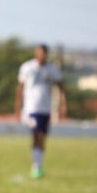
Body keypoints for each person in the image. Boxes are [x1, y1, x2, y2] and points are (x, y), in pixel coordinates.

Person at [15, 44, 66, 180]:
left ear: (46, 54)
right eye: (39, 52)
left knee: (42, 137)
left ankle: (38, 164)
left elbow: (61, 86)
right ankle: (36, 166)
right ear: (35, 53)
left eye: (43, 53)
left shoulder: (52, 69)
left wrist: (62, 105)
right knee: (36, 135)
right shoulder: (27, 67)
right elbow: (20, 88)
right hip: (31, 108)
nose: (41, 55)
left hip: (45, 108)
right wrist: (18, 107)